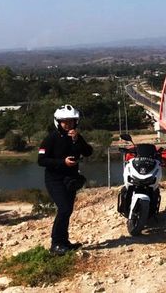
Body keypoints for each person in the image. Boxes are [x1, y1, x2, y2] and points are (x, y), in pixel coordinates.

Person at [38, 104, 93, 255]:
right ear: (58, 122)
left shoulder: (76, 136)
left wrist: (78, 140)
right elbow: (41, 160)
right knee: (64, 209)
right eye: (65, 121)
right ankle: (55, 244)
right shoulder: (51, 138)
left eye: (71, 121)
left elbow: (88, 152)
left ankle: (64, 242)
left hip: (71, 179)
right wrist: (63, 162)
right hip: (55, 180)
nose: (68, 124)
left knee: (67, 210)